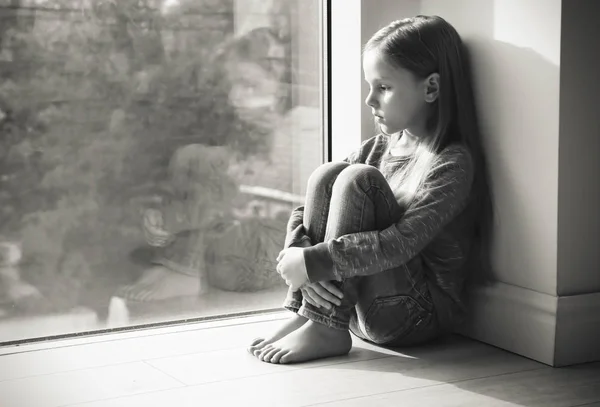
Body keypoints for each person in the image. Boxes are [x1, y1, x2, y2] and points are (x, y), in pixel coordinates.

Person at [247, 15, 494, 364]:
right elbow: (305, 210)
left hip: (413, 314)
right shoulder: (377, 147)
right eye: (369, 86)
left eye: (384, 87)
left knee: (357, 179)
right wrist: (299, 253)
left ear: (431, 88)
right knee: (329, 173)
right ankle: (311, 313)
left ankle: (327, 328)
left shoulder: (451, 163)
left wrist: (316, 262)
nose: (369, 100)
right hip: (358, 308)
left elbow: (399, 243)